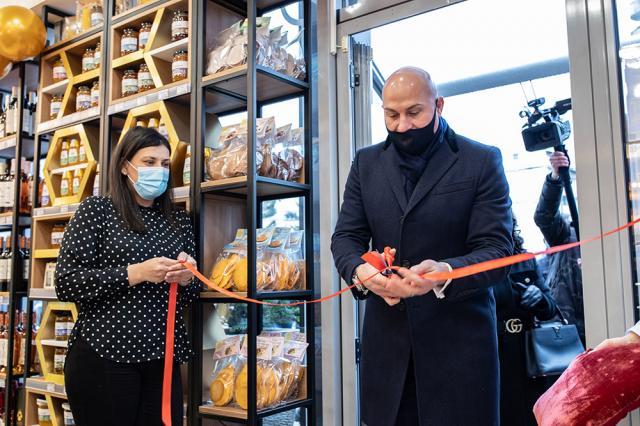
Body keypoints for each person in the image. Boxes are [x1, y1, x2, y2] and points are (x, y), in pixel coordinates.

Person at [331, 67, 513, 426]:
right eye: (391, 115)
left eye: (414, 113)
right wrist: (362, 273)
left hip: (459, 357)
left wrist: (445, 273)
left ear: (439, 105)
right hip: (387, 358)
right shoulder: (366, 164)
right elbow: (345, 238)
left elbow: (498, 250)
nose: (401, 126)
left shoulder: (481, 161)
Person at [55, 127, 201, 425]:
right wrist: (134, 273)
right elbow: (66, 282)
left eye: (163, 164)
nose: (158, 171)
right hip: (104, 356)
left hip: (161, 359)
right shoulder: (97, 211)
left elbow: (192, 293)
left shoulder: (179, 221)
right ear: (124, 166)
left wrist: (187, 278)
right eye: (149, 162)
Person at [494, 217, 556, 426]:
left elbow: (551, 308)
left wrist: (538, 297)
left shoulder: (525, 259)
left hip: (527, 354)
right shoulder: (475, 265)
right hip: (493, 352)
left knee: (531, 415)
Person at [534, 151, 584, 340]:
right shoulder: (567, 236)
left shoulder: (614, 244)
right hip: (567, 332)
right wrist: (555, 178)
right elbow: (544, 217)